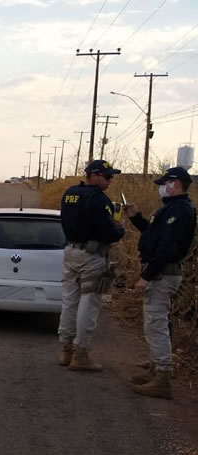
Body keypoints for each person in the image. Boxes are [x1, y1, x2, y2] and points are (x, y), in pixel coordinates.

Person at [123, 167, 196, 399]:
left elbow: (167, 248)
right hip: (160, 272)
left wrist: (146, 277)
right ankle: (156, 368)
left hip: (162, 274)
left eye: (164, 183)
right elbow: (153, 236)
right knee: (154, 323)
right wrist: (137, 218)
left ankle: (163, 377)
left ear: (175, 184)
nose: (161, 188)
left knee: (156, 324)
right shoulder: (170, 210)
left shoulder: (180, 212)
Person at [57, 160, 126, 371]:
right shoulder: (99, 199)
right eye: (108, 176)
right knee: (89, 302)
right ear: (94, 175)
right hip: (91, 255)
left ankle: (66, 349)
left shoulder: (70, 193)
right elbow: (107, 232)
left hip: (71, 252)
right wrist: (120, 229)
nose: (110, 180)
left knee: (70, 301)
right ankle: (81, 354)